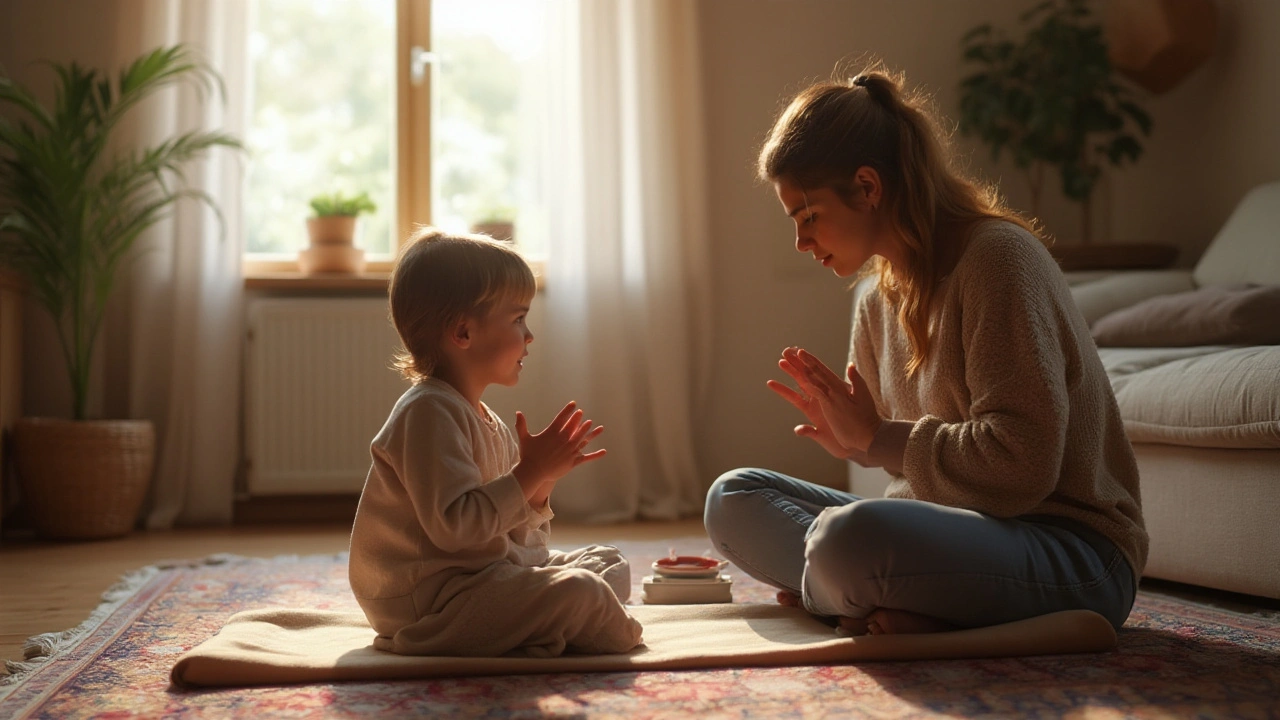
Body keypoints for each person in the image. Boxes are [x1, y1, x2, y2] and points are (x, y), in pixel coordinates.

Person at [703, 67, 1146, 636]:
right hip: (956, 535)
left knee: (848, 541)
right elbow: (904, 469)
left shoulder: (998, 260)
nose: (801, 242)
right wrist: (859, 442)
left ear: (868, 187)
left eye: (809, 217)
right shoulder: (873, 298)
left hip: (1072, 551)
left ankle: (844, 589)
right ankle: (858, 593)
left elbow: (1024, 463)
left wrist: (877, 437)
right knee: (733, 496)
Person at [349, 228, 643, 657]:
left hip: (481, 575)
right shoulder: (427, 413)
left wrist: (540, 486)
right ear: (463, 332)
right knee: (584, 591)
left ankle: (549, 624)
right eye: (518, 319)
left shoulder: (487, 420)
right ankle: (604, 631)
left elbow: (514, 536)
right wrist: (529, 473)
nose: (530, 336)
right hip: (431, 602)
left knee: (608, 563)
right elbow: (457, 529)